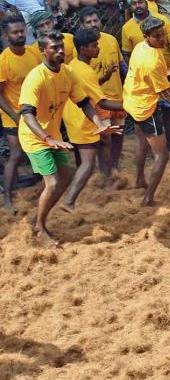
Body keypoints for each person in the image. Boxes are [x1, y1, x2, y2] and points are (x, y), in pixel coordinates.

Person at [19, 31, 119, 245]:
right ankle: (40, 230)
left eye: (61, 47)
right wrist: (47, 138)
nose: (60, 51)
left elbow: (84, 103)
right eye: (54, 48)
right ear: (42, 51)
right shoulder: (35, 78)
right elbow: (27, 114)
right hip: (35, 137)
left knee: (66, 176)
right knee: (54, 182)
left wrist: (100, 125)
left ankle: (38, 219)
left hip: (53, 135)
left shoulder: (67, 72)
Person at [61, 28, 126, 211]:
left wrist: (104, 78)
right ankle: (69, 201)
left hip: (74, 116)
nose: (98, 48)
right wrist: (130, 105)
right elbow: (103, 103)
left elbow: (88, 87)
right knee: (88, 162)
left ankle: (105, 178)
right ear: (83, 49)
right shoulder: (85, 71)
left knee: (104, 142)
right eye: (94, 46)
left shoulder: (74, 65)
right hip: (83, 120)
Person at [123, 17, 170, 206]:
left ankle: (139, 180)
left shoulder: (142, 47)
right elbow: (168, 95)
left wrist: (166, 73)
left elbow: (155, 77)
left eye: (163, 33)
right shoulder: (151, 61)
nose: (162, 38)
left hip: (133, 101)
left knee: (143, 145)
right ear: (146, 36)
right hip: (145, 108)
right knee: (162, 154)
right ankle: (148, 198)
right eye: (157, 36)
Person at [121, 0, 170, 152]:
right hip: (148, 82)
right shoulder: (127, 29)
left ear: (147, 1)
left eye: (140, 1)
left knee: (169, 112)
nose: (138, 5)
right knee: (155, 113)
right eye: (134, 3)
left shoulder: (161, 20)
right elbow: (126, 54)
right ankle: (155, 149)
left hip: (166, 72)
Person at [78, 6, 125, 177]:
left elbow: (121, 67)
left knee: (119, 134)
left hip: (117, 97)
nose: (93, 24)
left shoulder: (111, 40)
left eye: (95, 20)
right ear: (82, 25)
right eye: (88, 22)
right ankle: (105, 173)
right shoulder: (82, 49)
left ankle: (114, 166)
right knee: (105, 139)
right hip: (98, 101)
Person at [0, 16, 41, 213]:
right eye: (15, 32)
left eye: (21, 31)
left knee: (39, 150)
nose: (20, 35)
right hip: (13, 115)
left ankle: (40, 186)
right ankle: (7, 198)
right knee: (16, 155)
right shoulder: (3, 61)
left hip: (33, 112)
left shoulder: (34, 53)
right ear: (6, 36)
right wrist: (15, 117)